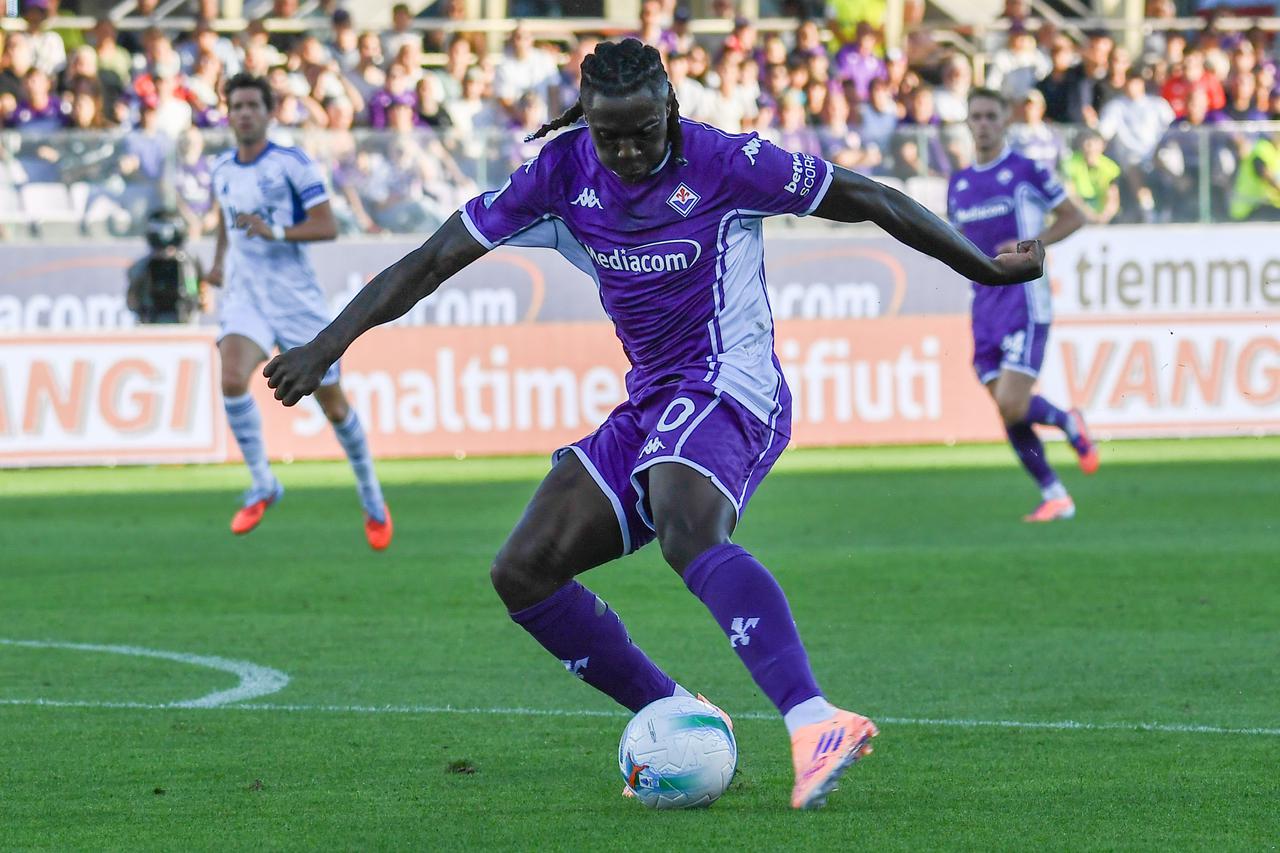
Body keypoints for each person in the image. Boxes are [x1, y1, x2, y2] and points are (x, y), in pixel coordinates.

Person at [263, 40, 1044, 809]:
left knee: (684, 524)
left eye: (644, 130)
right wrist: (326, 345)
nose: (629, 149)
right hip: (654, 402)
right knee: (523, 569)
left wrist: (985, 264)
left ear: (671, 109)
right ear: (586, 122)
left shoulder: (728, 163)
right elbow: (430, 261)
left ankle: (815, 719)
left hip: (733, 384)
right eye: (610, 135)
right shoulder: (558, 173)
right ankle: (676, 709)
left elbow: (872, 197)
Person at [208, 73, 392, 549]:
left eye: (252, 105)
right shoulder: (221, 169)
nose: (244, 113)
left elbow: (327, 224)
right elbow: (228, 228)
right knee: (231, 378)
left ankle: (372, 498)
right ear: (228, 114)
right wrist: (215, 267)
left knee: (332, 405)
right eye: (237, 106)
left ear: (269, 113)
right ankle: (263, 483)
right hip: (246, 296)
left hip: (296, 301)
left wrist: (277, 233)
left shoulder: (293, 164)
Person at [948, 88, 1098, 522]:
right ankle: (1055, 494)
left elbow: (1075, 215)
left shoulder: (1025, 170)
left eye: (991, 116)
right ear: (968, 122)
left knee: (1013, 404)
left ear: (1006, 121)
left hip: (1024, 300)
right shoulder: (959, 183)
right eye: (975, 116)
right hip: (983, 304)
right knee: (1005, 406)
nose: (983, 123)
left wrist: (1032, 245)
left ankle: (1069, 422)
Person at [126, 208, 204, 324]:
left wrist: (191, 301)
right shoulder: (141, 266)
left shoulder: (189, 264)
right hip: (150, 323)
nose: (166, 252)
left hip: (183, 323)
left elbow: (196, 295)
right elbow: (132, 301)